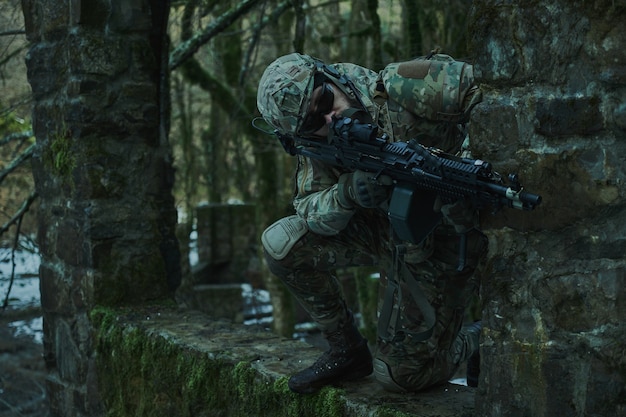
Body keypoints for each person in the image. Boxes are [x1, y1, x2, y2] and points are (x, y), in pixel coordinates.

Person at [256, 52, 487, 394]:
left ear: (332, 77)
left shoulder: (405, 84)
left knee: (400, 376)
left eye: (325, 101)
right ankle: (345, 348)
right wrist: (346, 194)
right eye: (312, 123)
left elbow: (490, 96)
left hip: (444, 237)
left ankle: (480, 339)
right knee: (282, 243)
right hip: (389, 235)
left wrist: (467, 164)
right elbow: (308, 206)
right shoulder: (316, 144)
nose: (329, 119)